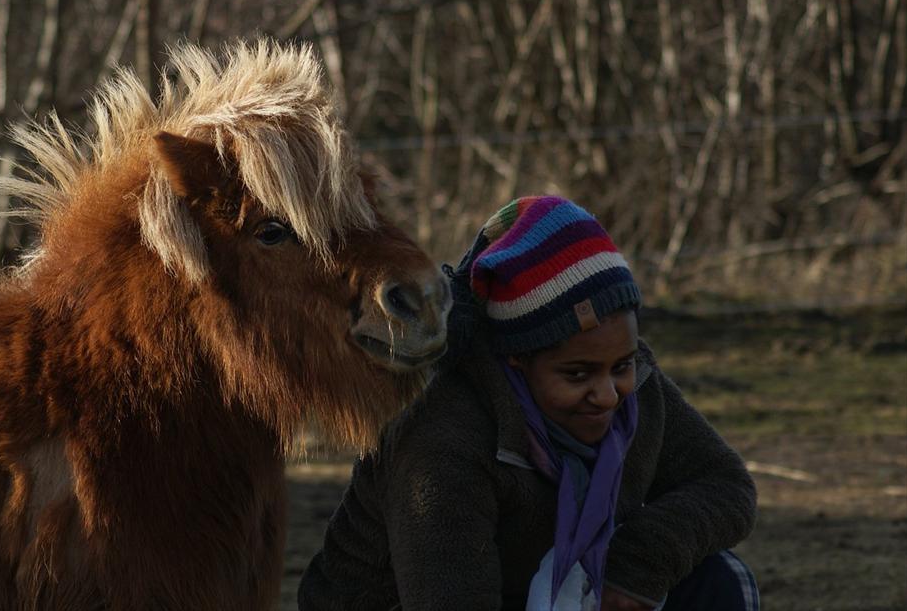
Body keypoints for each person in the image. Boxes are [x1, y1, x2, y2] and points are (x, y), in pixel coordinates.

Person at [298, 196, 759, 611]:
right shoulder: (443, 439)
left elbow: (727, 485)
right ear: (516, 361)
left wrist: (635, 566)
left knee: (720, 581)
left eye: (620, 364)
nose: (606, 395)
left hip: (544, 594)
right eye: (576, 374)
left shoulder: (637, 387)